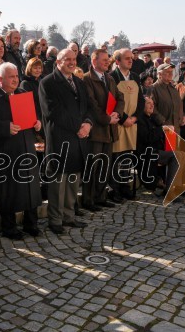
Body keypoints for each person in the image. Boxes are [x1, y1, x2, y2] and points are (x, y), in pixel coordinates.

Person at [39, 49, 93, 234]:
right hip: (60, 139)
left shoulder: (78, 82)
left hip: (78, 140)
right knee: (57, 183)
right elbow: (53, 112)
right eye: (67, 59)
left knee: (72, 182)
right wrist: (79, 127)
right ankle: (55, 221)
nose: (72, 62)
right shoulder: (47, 83)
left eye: (74, 59)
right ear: (58, 62)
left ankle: (69, 217)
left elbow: (87, 107)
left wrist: (88, 124)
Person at [0, 63, 43, 239]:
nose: (16, 80)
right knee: (7, 190)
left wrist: (37, 123)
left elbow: (34, 116)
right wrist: (5, 127)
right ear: (0, 79)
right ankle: (9, 227)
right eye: (11, 77)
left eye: (17, 76)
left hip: (26, 147)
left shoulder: (22, 94)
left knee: (31, 188)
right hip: (5, 151)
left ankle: (31, 223)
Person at [83, 49, 124, 210]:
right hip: (96, 130)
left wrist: (117, 113)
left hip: (109, 130)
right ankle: (88, 200)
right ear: (94, 62)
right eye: (104, 60)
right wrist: (108, 119)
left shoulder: (109, 78)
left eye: (108, 60)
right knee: (92, 167)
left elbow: (120, 98)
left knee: (104, 167)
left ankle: (100, 197)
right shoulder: (87, 79)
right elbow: (92, 105)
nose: (108, 62)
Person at [136, 97, 185, 198]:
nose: (152, 105)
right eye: (149, 103)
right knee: (175, 156)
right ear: (142, 105)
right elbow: (148, 138)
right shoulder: (140, 119)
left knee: (182, 154)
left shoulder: (153, 118)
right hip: (147, 153)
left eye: (152, 103)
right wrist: (162, 129)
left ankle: (181, 188)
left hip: (157, 149)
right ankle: (169, 191)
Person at [109, 48, 145, 202]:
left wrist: (135, 118)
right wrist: (124, 119)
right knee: (116, 158)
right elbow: (111, 102)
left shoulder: (136, 77)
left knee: (127, 158)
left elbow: (141, 100)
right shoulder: (112, 77)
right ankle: (114, 190)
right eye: (126, 58)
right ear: (117, 62)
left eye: (131, 58)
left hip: (132, 124)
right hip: (118, 124)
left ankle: (125, 187)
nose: (130, 60)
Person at [150, 63, 184, 134]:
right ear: (159, 74)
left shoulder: (173, 88)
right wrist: (163, 122)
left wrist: (182, 115)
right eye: (168, 72)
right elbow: (152, 109)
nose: (171, 74)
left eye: (171, 72)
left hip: (176, 129)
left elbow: (179, 104)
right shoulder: (153, 88)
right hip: (162, 131)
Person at [20, 57, 45, 141]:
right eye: (35, 68)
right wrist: (36, 119)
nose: (38, 70)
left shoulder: (42, 81)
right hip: (35, 120)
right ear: (30, 68)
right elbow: (28, 105)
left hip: (44, 117)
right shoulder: (25, 83)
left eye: (39, 68)